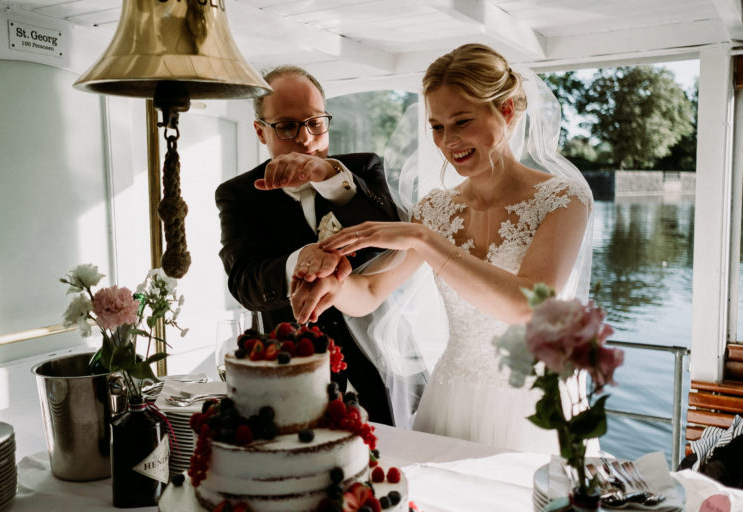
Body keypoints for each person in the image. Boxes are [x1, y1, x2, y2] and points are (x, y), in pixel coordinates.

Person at [290, 44, 595, 452]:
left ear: (505, 111)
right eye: (436, 126)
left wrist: (424, 239)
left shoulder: (564, 199)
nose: (448, 141)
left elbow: (531, 306)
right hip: (453, 396)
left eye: (462, 121)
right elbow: (367, 295)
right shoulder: (436, 208)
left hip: (535, 405)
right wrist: (330, 278)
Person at [215, 65, 400, 426]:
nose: (305, 139)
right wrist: (302, 260)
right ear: (259, 131)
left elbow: (393, 233)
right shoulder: (238, 195)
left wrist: (325, 175)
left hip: (374, 369)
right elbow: (244, 282)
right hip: (289, 373)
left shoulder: (363, 169)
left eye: (315, 122)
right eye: (286, 126)